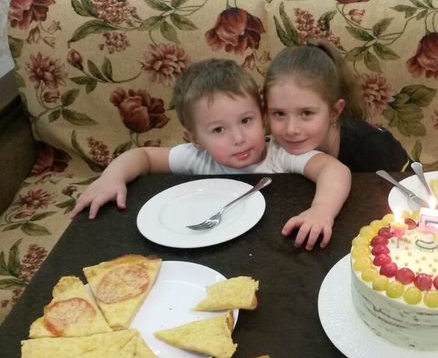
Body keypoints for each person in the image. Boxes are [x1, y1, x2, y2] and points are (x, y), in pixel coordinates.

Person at [70, 58, 351, 250]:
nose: (239, 138)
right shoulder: (197, 158)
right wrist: (112, 177)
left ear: (262, 114)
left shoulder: (278, 155)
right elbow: (142, 156)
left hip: (272, 249)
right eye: (218, 130)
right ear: (196, 139)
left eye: (246, 120)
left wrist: (322, 210)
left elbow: (334, 170)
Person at [263, 39, 411, 172]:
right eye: (279, 113)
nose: (290, 129)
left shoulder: (373, 147)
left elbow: (416, 187)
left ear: (334, 112)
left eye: (306, 113)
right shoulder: (271, 149)